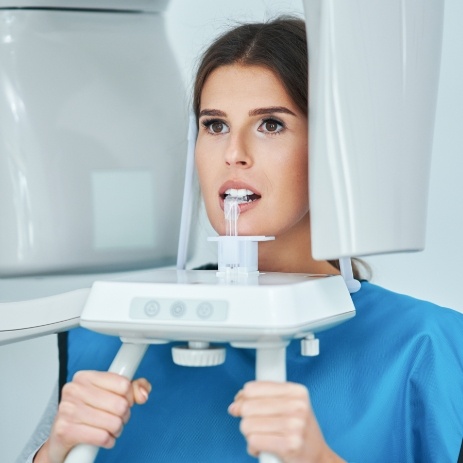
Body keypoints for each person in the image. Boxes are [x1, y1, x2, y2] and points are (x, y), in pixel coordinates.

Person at [24, 17, 463, 463]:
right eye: (214, 125)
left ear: (333, 151)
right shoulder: (101, 338)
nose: (233, 152)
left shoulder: (427, 348)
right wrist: (55, 450)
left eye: (270, 124)